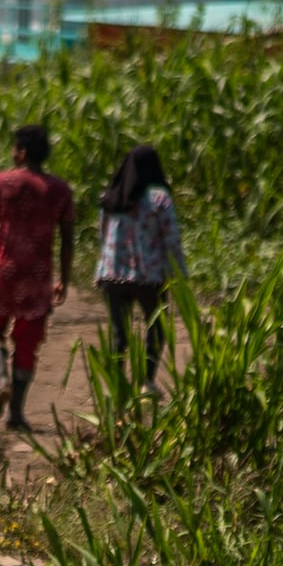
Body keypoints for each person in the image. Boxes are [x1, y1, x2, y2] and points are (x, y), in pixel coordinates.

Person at [0, 125, 74, 432]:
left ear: (21, 151)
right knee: (28, 341)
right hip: (38, 276)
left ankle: (0, 378)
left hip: (6, 269)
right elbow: (68, 239)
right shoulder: (60, 190)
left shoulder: (1, 183)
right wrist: (64, 279)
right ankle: (16, 414)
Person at [92, 140, 184, 392]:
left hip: (112, 276)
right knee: (156, 327)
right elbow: (171, 240)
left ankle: (117, 384)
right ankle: (147, 381)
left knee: (119, 334)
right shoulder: (159, 199)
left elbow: (102, 236)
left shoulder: (109, 198)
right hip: (149, 277)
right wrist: (180, 274)